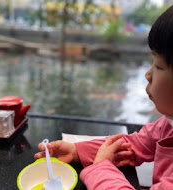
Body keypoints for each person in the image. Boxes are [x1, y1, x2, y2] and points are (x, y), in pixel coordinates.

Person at [34, 5, 173, 189]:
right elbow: (135, 144)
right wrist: (77, 151)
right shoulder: (168, 125)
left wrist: (101, 169)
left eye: (159, 67)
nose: (147, 75)